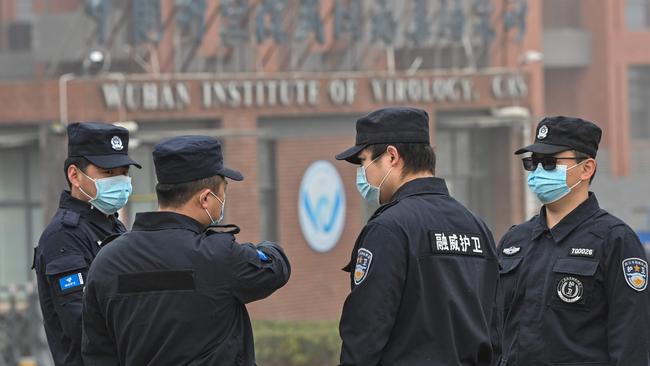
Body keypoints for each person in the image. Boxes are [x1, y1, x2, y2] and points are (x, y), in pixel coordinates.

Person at [81, 135, 291, 366]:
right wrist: (265, 248)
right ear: (205, 199)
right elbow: (276, 268)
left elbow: (97, 353)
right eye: (223, 191)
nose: (223, 199)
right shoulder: (218, 256)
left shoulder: (107, 260)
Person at [334, 107, 501, 366]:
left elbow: (365, 332)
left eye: (364, 160)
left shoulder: (389, 228)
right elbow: (495, 331)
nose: (362, 172)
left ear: (391, 156)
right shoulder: (477, 227)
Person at [498, 116, 650, 365]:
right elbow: (494, 330)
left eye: (549, 163)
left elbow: (631, 342)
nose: (538, 172)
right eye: (532, 163)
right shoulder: (515, 241)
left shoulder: (615, 241)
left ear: (586, 168)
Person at [33, 122, 140, 366]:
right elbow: (82, 322)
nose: (120, 181)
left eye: (124, 172)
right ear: (75, 175)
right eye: (108, 173)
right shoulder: (63, 236)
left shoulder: (112, 225)